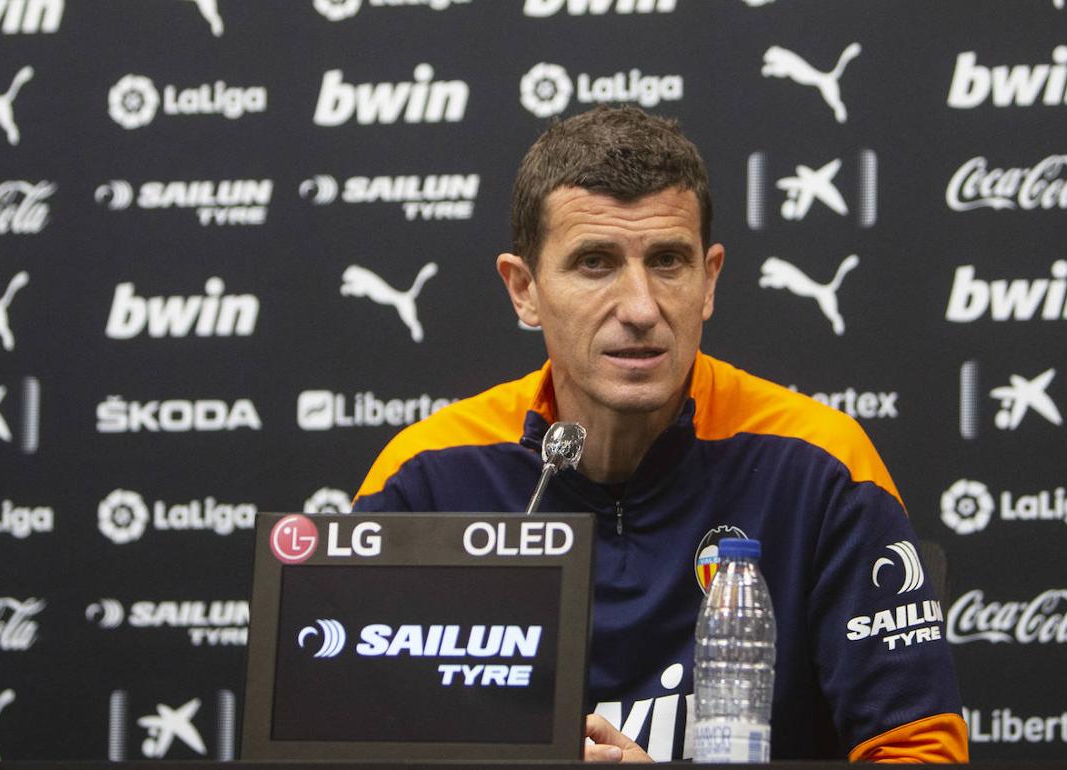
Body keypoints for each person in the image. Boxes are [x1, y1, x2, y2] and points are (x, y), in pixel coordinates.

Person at [353, 106, 969, 763]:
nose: (642, 309)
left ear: (709, 280)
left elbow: (920, 756)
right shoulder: (427, 478)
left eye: (669, 261)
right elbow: (341, 748)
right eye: (595, 263)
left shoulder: (820, 466)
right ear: (524, 289)